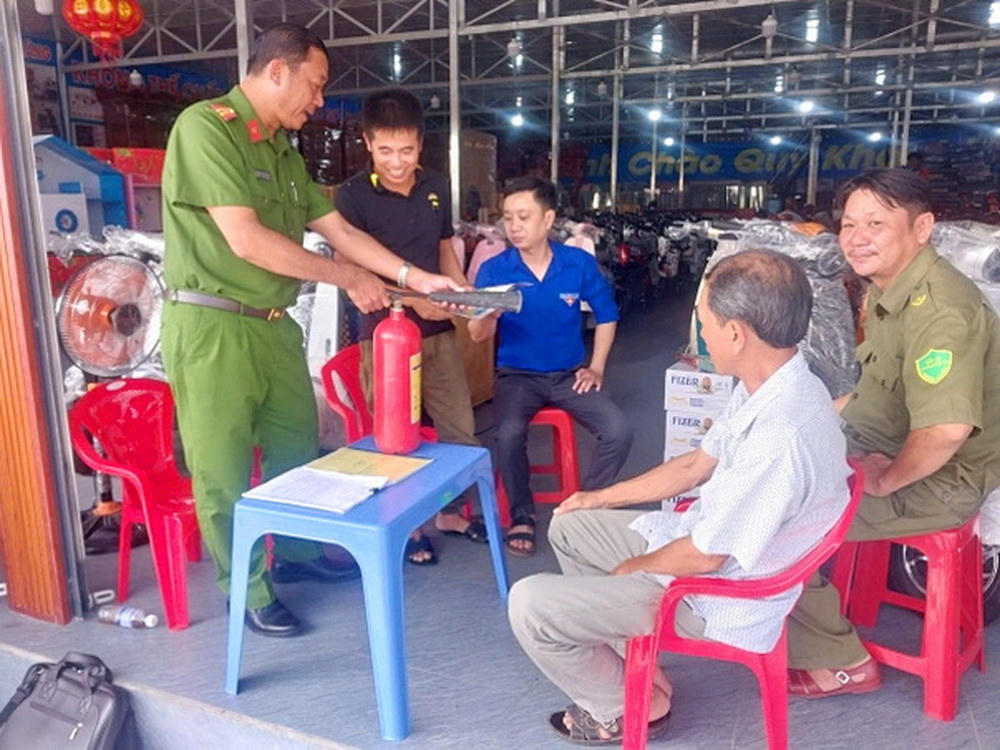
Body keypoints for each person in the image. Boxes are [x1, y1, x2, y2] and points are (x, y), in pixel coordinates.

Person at [160, 24, 458, 637]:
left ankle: (294, 557)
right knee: (221, 466)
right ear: (278, 71)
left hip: (273, 326)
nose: (319, 101)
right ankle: (244, 589)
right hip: (212, 325)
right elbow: (247, 239)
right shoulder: (206, 128)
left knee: (296, 451)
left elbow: (342, 232)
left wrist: (416, 278)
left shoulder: (284, 152)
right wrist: (344, 277)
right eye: (315, 85)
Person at [507, 250, 852, 743]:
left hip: (717, 596)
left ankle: (625, 706)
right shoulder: (773, 382)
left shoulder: (782, 434)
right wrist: (599, 497)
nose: (699, 333)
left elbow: (707, 557)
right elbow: (695, 465)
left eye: (704, 320)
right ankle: (639, 671)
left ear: (736, 333)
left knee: (529, 605)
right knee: (570, 523)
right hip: (704, 547)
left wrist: (629, 570)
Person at [786, 168, 1000, 695]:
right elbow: (875, 391)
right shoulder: (890, 289)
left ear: (922, 227)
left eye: (877, 224)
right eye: (850, 223)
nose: (857, 237)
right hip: (886, 443)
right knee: (770, 462)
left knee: (780, 515)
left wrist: (884, 481)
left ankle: (841, 660)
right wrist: (803, 417)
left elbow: (947, 430)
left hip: (943, 480)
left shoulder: (941, 310)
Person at [334, 88, 486, 566]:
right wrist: (421, 300)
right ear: (368, 143)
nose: (396, 162)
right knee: (396, 436)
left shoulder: (436, 186)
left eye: (405, 150)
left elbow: (444, 253)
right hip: (384, 338)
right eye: (385, 151)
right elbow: (351, 268)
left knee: (460, 431)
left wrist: (464, 299)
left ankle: (445, 513)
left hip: (438, 336)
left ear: (420, 145)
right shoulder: (352, 195)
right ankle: (408, 526)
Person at [469, 177, 632, 557]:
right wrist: (486, 316)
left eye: (524, 217)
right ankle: (522, 515)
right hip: (517, 376)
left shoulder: (577, 264)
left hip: (567, 375)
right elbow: (477, 334)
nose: (514, 226)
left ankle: (584, 505)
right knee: (508, 435)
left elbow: (607, 316)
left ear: (548, 219)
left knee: (619, 430)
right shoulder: (494, 270)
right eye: (508, 218)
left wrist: (596, 368)